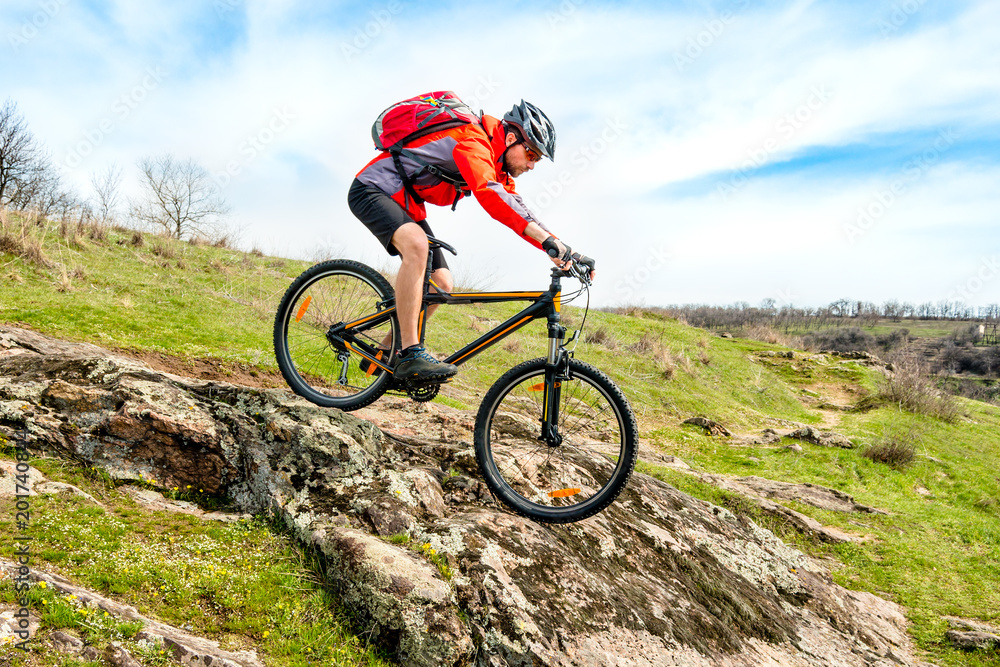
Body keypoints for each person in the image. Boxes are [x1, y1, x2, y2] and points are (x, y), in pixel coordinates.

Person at [348, 98, 594, 383]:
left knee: (441, 284)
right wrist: (549, 241)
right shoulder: (473, 141)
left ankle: (388, 353)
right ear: (512, 138)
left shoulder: (497, 164)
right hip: (372, 190)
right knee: (417, 246)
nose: (532, 165)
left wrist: (564, 249)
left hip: (405, 204)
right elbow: (491, 196)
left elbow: (516, 207)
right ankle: (411, 353)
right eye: (532, 155)